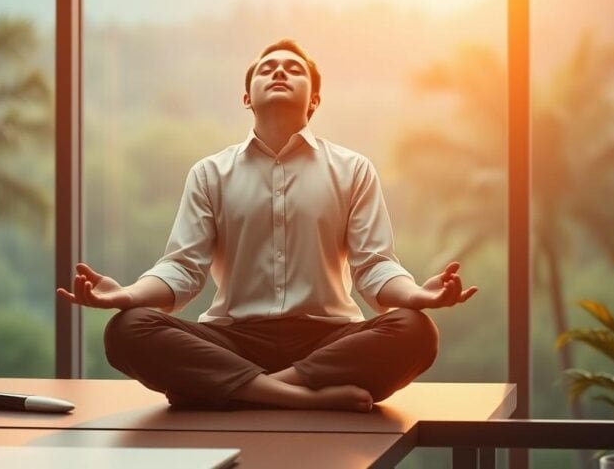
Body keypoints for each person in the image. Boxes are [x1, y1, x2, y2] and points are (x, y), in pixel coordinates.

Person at [57, 39, 477, 413]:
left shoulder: (353, 170)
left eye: (294, 69)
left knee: (416, 330)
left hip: (327, 341)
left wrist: (418, 294)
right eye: (266, 68)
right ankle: (301, 398)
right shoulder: (210, 173)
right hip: (233, 340)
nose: (279, 71)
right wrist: (127, 294)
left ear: (313, 101)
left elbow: (374, 267)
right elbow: (183, 270)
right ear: (246, 97)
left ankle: (238, 391)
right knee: (127, 329)